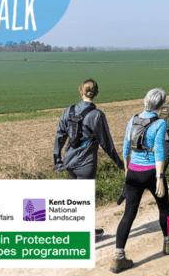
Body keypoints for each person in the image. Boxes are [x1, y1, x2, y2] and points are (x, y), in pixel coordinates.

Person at [111, 88, 169, 273]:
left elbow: (126, 147)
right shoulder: (159, 123)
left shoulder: (133, 119)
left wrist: (128, 168)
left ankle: (118, 257)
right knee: (164, 208)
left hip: (134, 172)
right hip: (151, 172)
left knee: (129, 214)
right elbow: (159, 151)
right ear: (160, 105)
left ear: (145, 101)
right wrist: (160, 177)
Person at [53, 79, 124, 238]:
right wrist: (120, 163)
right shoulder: (97, 115)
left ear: (81, 91)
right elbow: (107, 144)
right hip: (86, 164)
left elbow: (59, 137)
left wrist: (58, 162)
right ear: (97, 93)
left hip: (69, 162)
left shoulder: (68, 111)